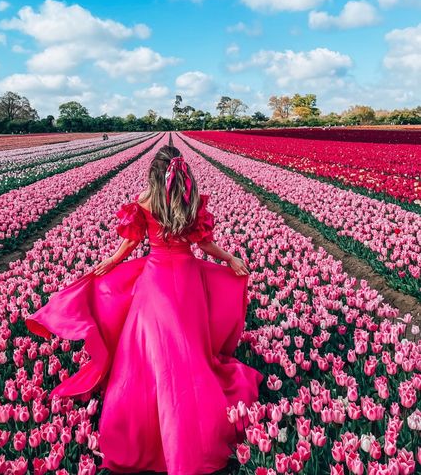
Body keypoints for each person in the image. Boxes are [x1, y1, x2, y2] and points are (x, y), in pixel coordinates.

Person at [25, 144, 263, 475]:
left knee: (148, 353)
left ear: (153, 173)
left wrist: (110, 261)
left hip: (156, 282)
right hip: (189, 280)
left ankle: (145, 434)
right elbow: (204, 244)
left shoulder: (144, 200)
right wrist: (230, 259)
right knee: (189, 351)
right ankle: (192, 434)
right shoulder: (189, 198)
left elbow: (132, 241)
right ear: (182, 171)